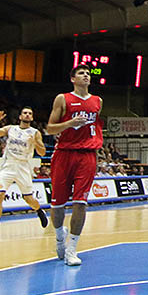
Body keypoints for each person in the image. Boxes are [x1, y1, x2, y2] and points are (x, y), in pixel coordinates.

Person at [46, 65, 104, 266]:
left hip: (87, 156)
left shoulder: (97, 101)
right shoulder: (62, 98)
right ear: (72, 79)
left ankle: (72, 249)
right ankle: (59, 237)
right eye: (81, 73)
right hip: (64, 154)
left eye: (88, 73)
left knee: (81, 202)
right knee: (58, 205)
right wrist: (69, 124)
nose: (86, 75)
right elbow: (49, 128)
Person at [0, 108, 49, 240]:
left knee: (28, 199)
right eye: (25, 113)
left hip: (23, 166)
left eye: (30, 113)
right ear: (20, 116)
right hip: (8, 165)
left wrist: (35, 143)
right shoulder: (10, 129)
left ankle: (39, 211)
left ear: (32, 118)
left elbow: (42, 153)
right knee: (0, 194)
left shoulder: (35, 133)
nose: (27, 115)